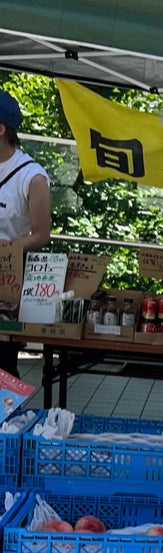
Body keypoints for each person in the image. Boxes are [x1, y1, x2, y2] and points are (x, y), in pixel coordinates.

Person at [0, 89, 51, 380]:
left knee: (3, 364)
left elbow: (42, 234)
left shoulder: (31, 176)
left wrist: (8, 249)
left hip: (8, 283)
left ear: (1, 129)